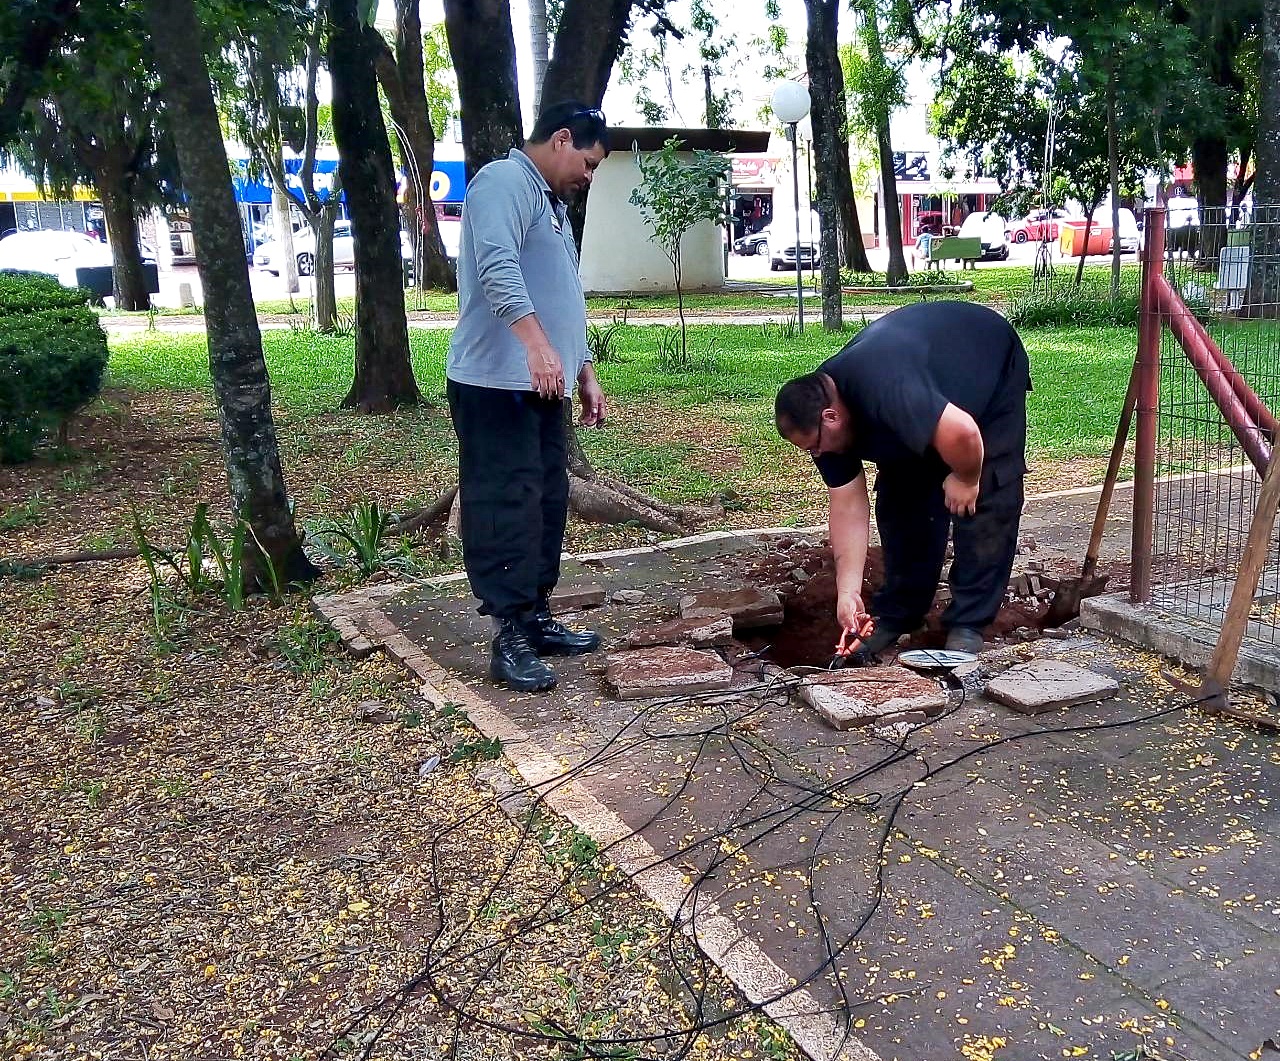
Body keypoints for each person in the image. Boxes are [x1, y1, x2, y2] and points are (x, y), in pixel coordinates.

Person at [446, 101, 610, 692]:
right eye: (587, 164)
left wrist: (581, 365)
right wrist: (536, 346)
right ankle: (509, 634)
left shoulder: (553, 204)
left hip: (545, 386)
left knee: (546, 499)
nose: (587, 178)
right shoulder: (502, 183)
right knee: (505, 503)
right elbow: (496, 268)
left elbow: (564, 292)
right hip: (495, 384)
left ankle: (536, 615)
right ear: (561, 139)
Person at [774, 301, 1031, 658]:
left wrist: (966, 476)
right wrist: (847, 591)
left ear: (831, 417)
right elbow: (847, 503)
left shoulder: (885, 388)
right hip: (928, 393)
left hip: (983, 365)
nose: (816, 455)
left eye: (815, 447)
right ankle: (898, 613)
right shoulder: (819, 421)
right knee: (904, 498)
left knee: (986, 496)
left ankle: (968, 623)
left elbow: (964, 433)